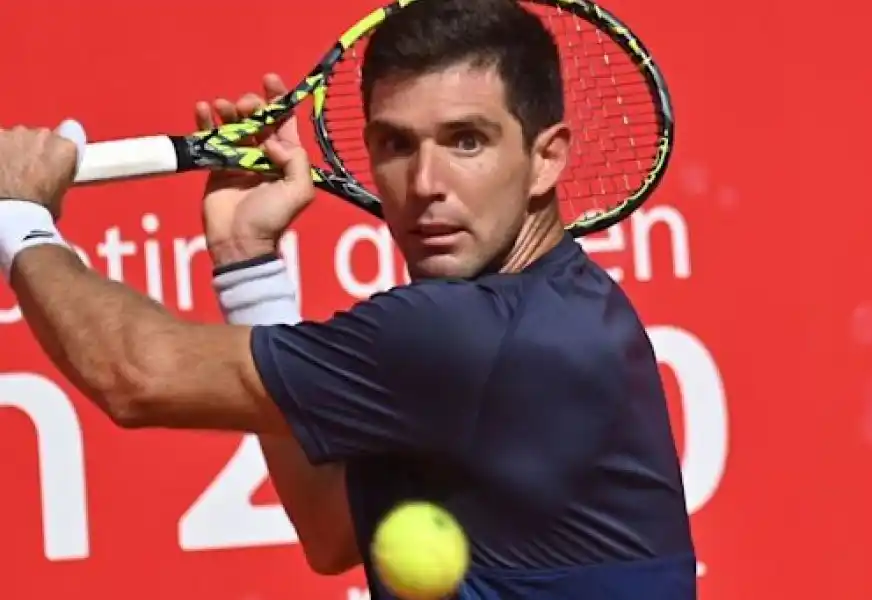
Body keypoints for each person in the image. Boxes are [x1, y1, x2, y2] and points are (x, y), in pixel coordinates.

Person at [0, 0, 696, 597]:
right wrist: (248, 267)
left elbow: (136, 376)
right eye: (395, 144)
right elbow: (330, 530)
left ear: (546, 157)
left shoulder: (467, 336)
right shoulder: (565, 302)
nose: (425, 182)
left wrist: (19, 218)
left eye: (466, 141)